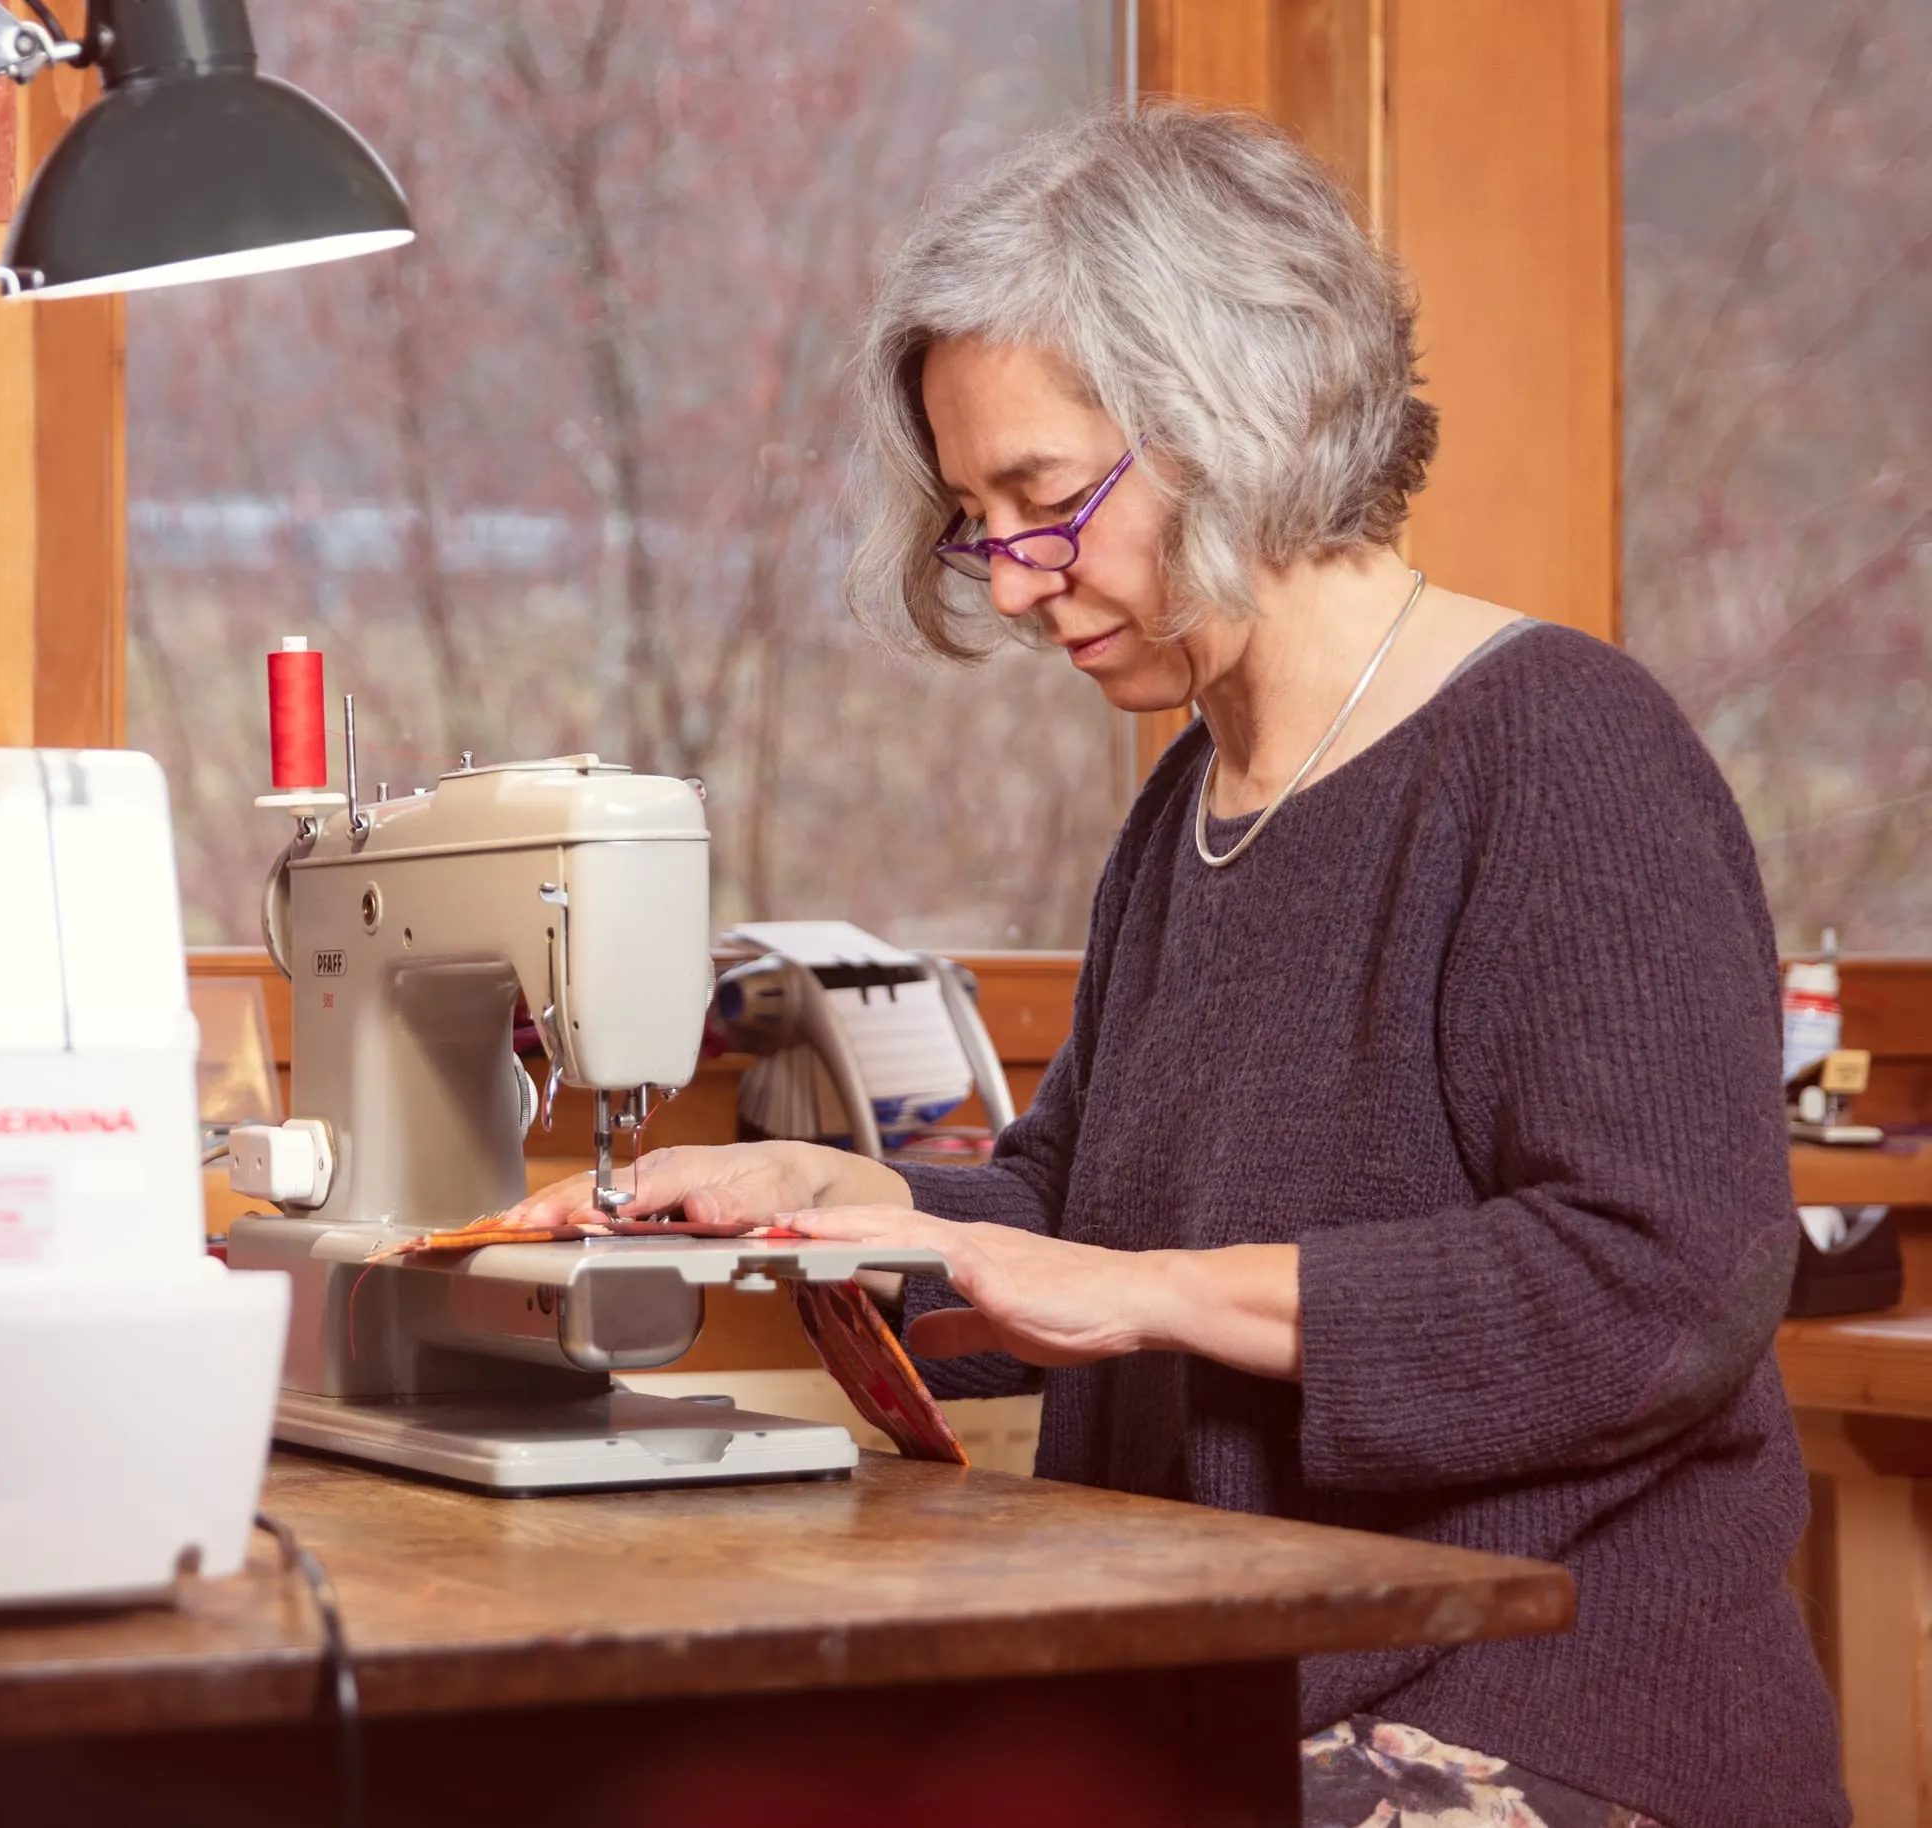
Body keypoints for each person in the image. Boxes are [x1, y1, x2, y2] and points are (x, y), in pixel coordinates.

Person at [512, 106, 1846, 1828]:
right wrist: (844, 1213)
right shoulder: (1189, 812)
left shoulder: (1561, 748)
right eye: (976, 520)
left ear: (1241, 420)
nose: (1008, 585)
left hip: (1538, 1719)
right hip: (1238, 1671)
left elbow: (1658, 1289)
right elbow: (1081, 1215)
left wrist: (1147, 1294)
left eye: (1046, 503)